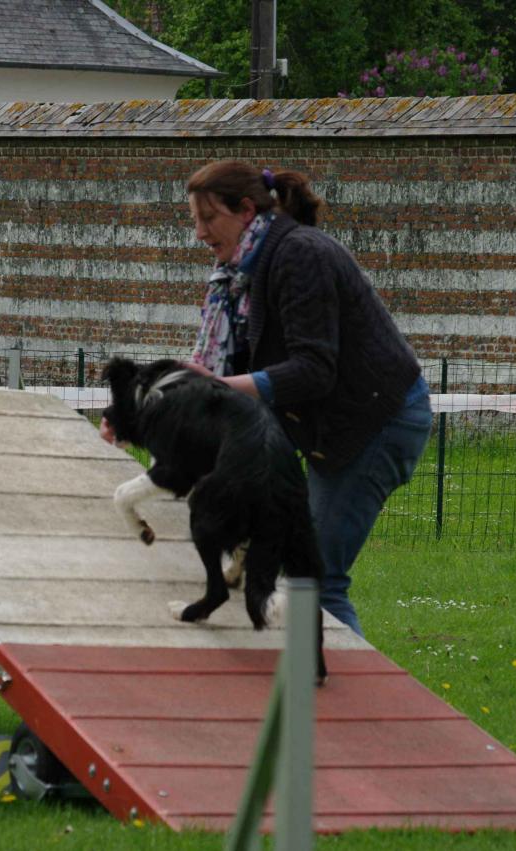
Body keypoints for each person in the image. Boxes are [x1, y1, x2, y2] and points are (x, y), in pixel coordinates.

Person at [105, 160, 431, 638]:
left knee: (315, 581)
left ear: (245, 210)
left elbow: (314, 369)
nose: (199, 234)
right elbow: (231, 373)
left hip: (376, 424)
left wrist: (215, 386)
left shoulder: (300, 256)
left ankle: (346, 704)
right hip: (326, 428)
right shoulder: (240, 274)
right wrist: (133, 415)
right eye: (193, 220)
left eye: (208, 219)